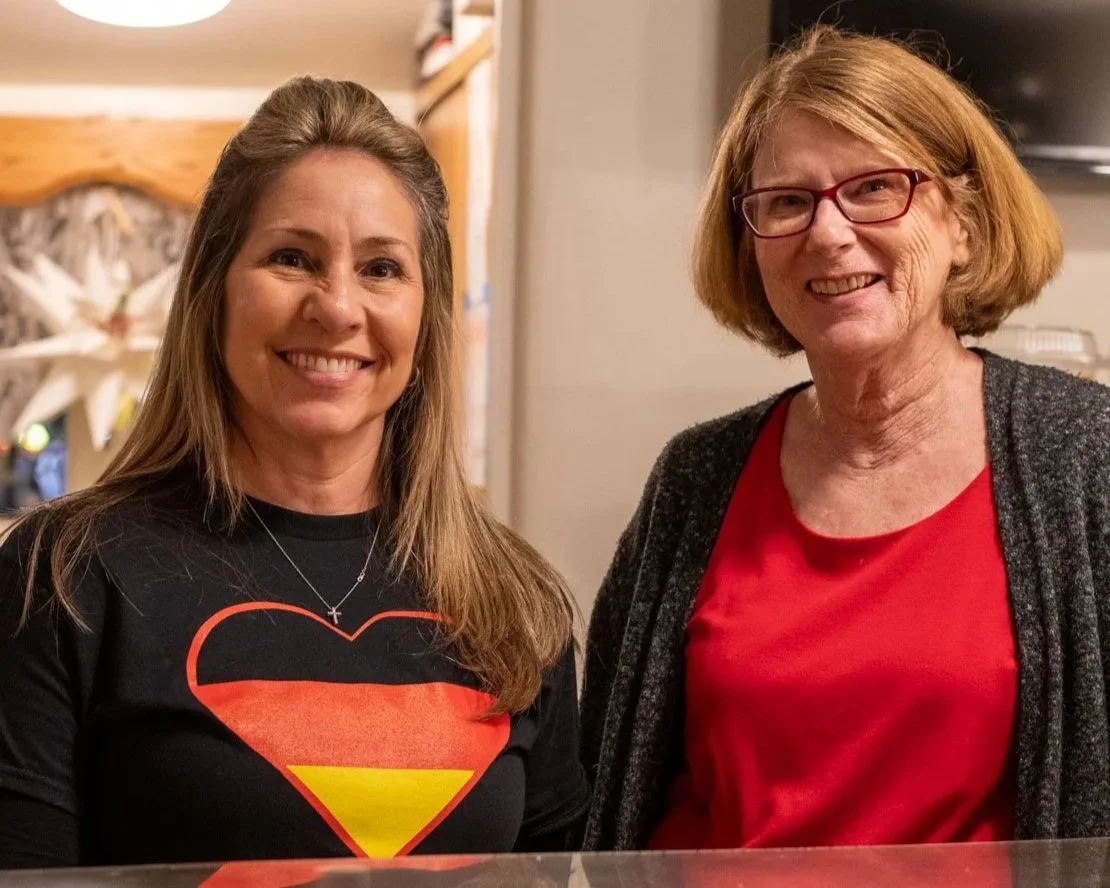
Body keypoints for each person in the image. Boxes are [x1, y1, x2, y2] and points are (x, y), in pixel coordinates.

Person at [0, 76, 587, 869]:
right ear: (214, 293)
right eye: (292, 258)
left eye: (382, 268)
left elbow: (560, 876)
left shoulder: (515, 602)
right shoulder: (64, 576)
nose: (338, 307)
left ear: (425, 314)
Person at [579, 26, 1110, 851]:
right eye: (787, 202)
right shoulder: (696, 476)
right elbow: (611, 775)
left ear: (963, 224)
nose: (828, 233)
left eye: (874, 189)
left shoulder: (1084, 457)